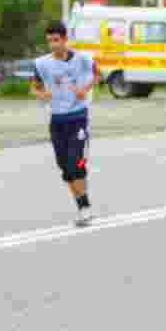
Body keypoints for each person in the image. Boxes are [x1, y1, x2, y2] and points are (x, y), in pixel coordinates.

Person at [30, 20, 98, 227]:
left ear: (65, 39)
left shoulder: (82, 58)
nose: (53, 45)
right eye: (50, 41)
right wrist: (41, 94)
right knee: (66, 169)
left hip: (78, 118)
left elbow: (97, 74)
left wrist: (84, 90)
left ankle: (84, 209)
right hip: (57, 121)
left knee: (75, 164)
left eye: (56, 40)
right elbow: (34, 87)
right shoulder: (42, 64)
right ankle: (83, 205)